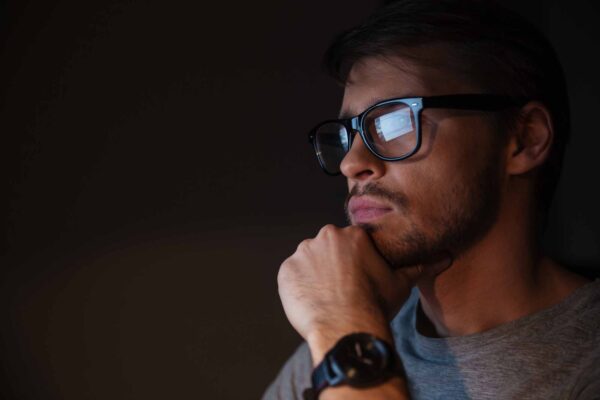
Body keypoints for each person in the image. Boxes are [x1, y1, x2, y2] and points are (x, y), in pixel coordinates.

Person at [263, 0, 600, 399]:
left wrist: (343, 325)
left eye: (394, 120)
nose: (352, 163)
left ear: (525, 138)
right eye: (349, 133)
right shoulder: (346, 335)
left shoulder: (346, 334)